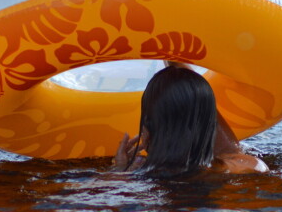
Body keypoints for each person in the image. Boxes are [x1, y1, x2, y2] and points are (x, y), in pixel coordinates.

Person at [112, 63, 268, 177]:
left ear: (147, 126)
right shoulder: (249, 167)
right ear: (210, 124)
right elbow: (229, 151)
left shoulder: (139, 173)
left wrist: (119, 170)